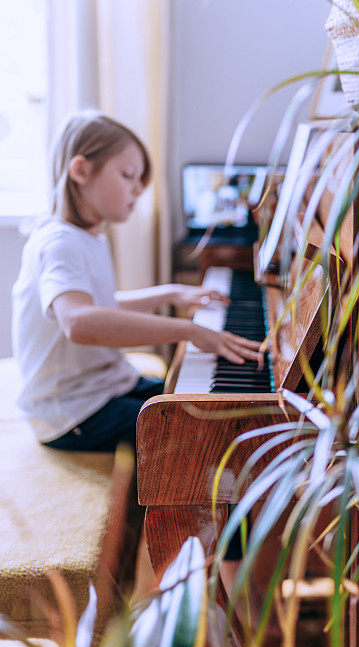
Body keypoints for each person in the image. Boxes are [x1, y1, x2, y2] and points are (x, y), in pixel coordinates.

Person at [11, 109, 263, 453]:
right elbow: (79, 322)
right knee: (198, 437)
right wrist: (189, 331)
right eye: (128, 175)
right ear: (81, 171)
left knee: (203, 405)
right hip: (71, 412)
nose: (139, 189)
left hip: (105, 386)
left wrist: (170, 293)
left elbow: (98, 303)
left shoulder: (87, 235)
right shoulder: (60, 242)